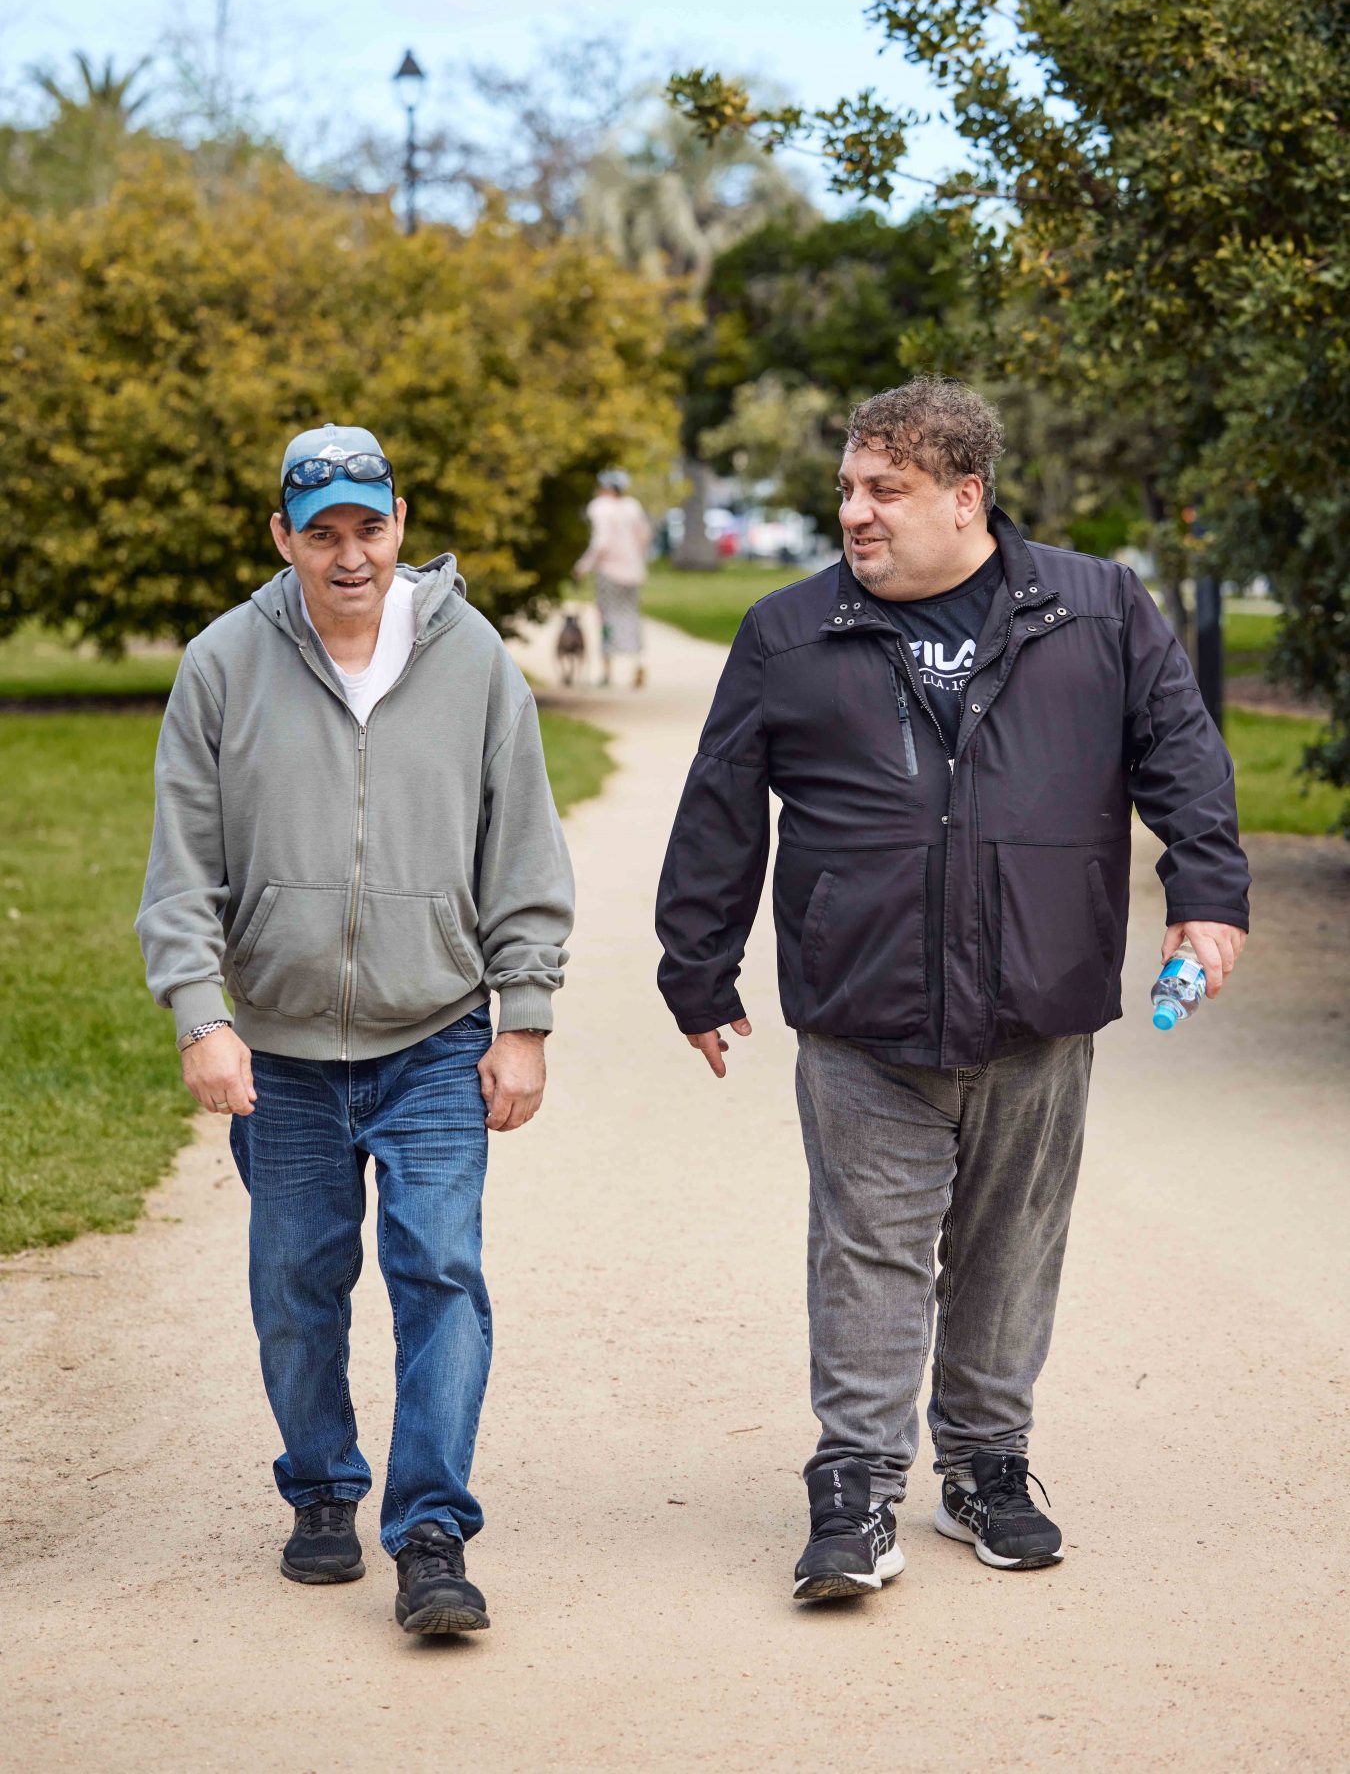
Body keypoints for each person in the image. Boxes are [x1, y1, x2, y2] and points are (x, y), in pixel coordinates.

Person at [654, 378, 1249, 1602]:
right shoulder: (788, 630)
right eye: (847, 489)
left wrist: (1209, 894)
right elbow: (720, 804)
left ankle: (986, 1464)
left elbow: (1181, 756)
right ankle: (857, 1483)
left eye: (885, 490)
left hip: (1040, 997)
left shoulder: (1096, 608)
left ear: (965, 495)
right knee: (868, 1247)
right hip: (863, 1005)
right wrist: (696, 963)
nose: (854, 514)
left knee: (1010, 1245)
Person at [136, 423, 574, 1638]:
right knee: (296, 1282)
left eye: (368, 528)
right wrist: (203, 1015)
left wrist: (523, 1015)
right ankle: (323, 1488)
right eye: (319, 532)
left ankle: (432, 1530)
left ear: (398, 525)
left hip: (435, 1033)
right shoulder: (223, 664)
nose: (348, 555)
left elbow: (523, 848)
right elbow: (182, 871)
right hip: (276, 1049)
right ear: (282, 535)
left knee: (441, 1272)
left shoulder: (473, 657)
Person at [576, 468, 651, 688]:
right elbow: (644, 536)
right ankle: (639, 663)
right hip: (633, 571)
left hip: (609, 572)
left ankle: (607, 671)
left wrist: (583, 565)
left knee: (607, 619)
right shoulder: (632, 506)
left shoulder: (599, 507)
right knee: (631, 617)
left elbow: (601, 542)